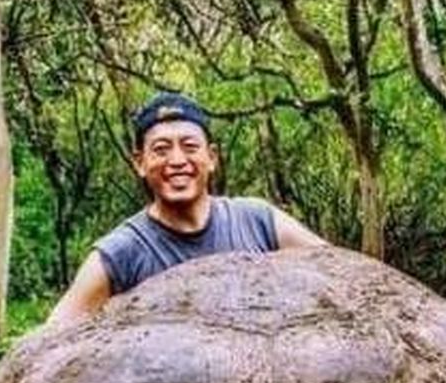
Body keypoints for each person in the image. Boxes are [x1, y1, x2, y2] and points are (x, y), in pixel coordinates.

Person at [46, 92, 324, 326]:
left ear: (212, 157)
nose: (177, 160)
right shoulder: (120, 253)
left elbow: (335, 271)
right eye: (161, 149)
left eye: (190, 146)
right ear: (140, 163)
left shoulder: (258, 220)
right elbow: (54, 334)